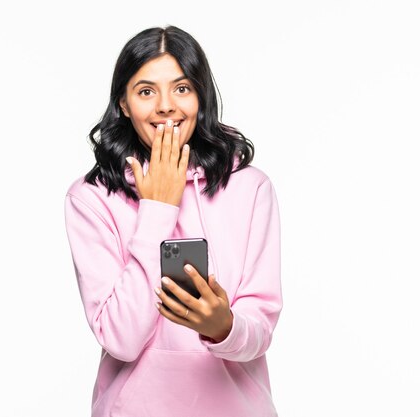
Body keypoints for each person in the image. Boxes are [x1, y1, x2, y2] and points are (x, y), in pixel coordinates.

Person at [64, 25, 282, 417]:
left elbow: (260, 330)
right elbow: (121, 339)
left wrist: (224, 326)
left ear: (201, 96)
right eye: (146, 91)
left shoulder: (250, 189)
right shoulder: (91, 199)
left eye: (181, 88)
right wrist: (158, 210)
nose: (166, 106)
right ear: (125, 104)